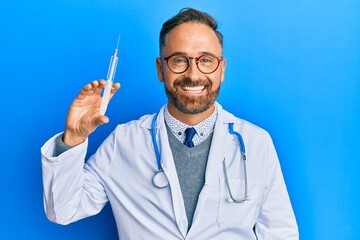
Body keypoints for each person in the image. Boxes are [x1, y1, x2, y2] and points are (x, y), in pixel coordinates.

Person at [41, 8, 299, 240]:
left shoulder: (255, 142)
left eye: (206, 60)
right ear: (160, 69)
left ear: (222, 69)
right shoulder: (124, 141)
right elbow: (63, 210)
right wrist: (73, 138)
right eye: (179, 60)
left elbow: (281, 233)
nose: (193, 74)